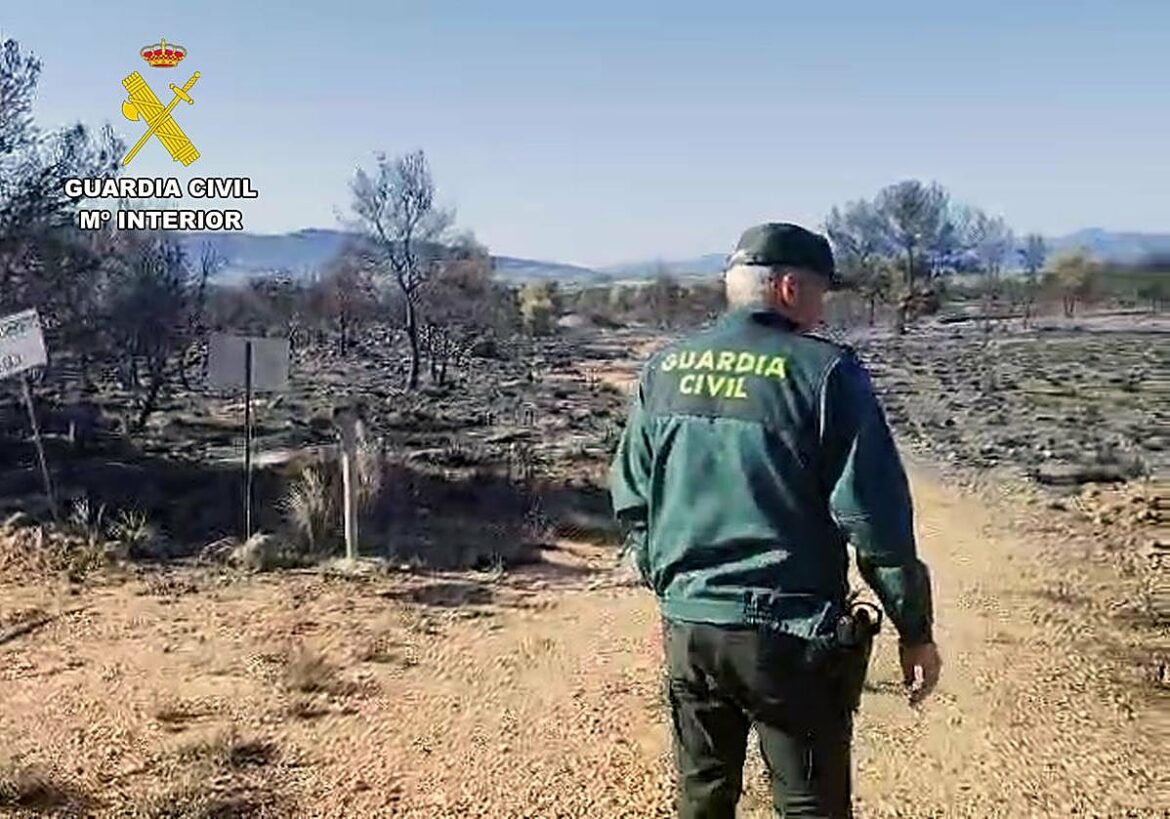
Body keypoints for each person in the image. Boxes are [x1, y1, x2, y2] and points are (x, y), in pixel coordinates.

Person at [609, 222, 941, 819]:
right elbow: (876, 520)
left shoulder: (665, 368)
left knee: (702, 797)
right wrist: (914, 630)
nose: (822, 308)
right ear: (789, 288)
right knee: (809, 805)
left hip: (691, 628)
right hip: (789, 634)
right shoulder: (825, 373)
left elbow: (633, 499)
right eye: (821, 291)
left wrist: (678, 585)